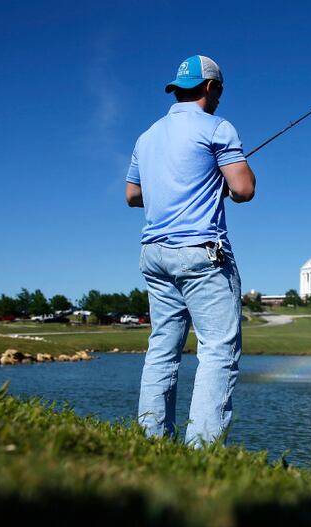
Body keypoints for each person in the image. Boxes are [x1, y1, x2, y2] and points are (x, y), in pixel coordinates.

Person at [125, 55, 256, 449]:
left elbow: (133, 196)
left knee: (163, 347)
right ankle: (202, 450)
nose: (219, 98)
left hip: (154, 253)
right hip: (201, 253)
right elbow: (244, 190)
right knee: (217, 349)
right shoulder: (218, 127)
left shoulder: (146, 136)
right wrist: (216, 179)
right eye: (219, 92)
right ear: (211, 88)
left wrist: (176, 188)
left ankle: (151, 441)